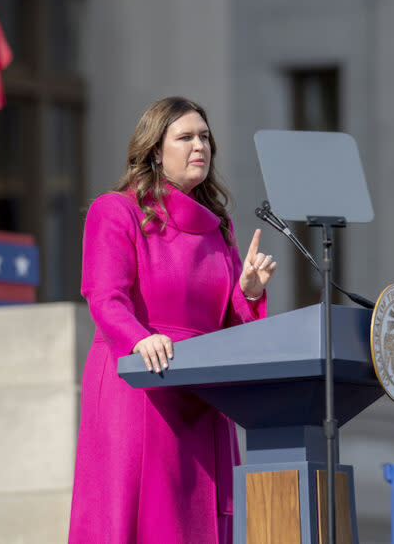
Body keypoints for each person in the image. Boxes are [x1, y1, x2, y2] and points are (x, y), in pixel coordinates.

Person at [68, 97, 277, 543]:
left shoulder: (218, 227)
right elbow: (104, 297)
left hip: (201, 395)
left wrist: (250, 292)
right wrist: (139, 340)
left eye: (205, 137)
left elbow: (228, 326)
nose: (199, 145)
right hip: (141, 385)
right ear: (156, 150)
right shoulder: (116, 210)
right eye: (185, 137)